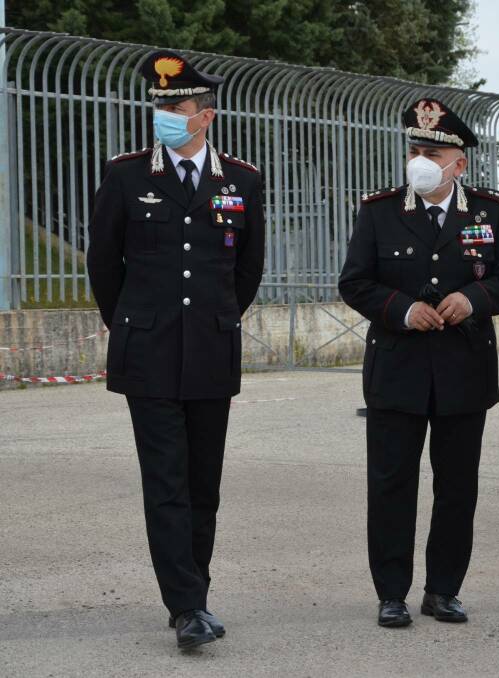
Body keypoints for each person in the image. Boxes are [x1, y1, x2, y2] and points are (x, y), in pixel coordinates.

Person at [86, 50, 265, 650]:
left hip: (212, 349)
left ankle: (196, 592)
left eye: (177, 106)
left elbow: (248, 268)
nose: (164, 113)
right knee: (165, 481)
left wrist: (217, 320)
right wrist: (133, 324)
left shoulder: (241, 180)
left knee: (203, 484)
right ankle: (186, 606)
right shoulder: (127, 175)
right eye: (160, 104)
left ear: (205, 115)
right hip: (150, 350)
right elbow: (103, 263)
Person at [338, 98, 499, 629]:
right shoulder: (379, 211)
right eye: (415, 149)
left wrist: (474, 299)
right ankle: (391, 593)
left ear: (458, 163)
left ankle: (443, 590)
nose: (421, 159)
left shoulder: (490, 211)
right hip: (397, 368)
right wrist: (402, 309)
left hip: (464, 370)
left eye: (433, 152)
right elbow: (355, 282)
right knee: (392, 483)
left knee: (457, 486)